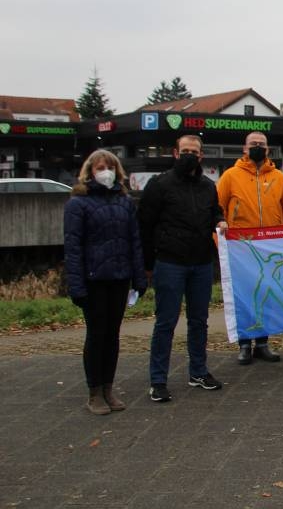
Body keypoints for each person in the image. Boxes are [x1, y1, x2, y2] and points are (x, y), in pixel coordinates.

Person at [139, 135, 227, 403]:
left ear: (201, 156)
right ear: (176, 153)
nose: (190, 154)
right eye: (185, 150)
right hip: (170, 262)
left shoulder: (207, 186)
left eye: (195, 151)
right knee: (166, 322)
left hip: (201, 262)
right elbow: (144, 225)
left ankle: (198, 372)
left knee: (199, 321)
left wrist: (221, 221)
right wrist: (147, 265)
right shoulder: (159, 184)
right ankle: (158, 380)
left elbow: (215, 211)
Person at [63, 150, 147, 415]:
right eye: (100, 167)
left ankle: (109, 387)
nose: (106, 171)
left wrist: (139, 277)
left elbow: (134, 241)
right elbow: (73, 248)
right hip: (94, 280)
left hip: (120, 278)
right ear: (90, 171)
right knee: (96, 334)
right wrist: (76, 285)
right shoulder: (78, 204)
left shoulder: (124, 202)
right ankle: (94, 392)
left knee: (112, 335)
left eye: (110, 167)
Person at [217, 131, 283, 364]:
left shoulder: (279, 177)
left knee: (265, 296)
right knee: (244, 296)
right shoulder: (230, 176)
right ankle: (244, 344)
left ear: (268, 150)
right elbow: (217, 208)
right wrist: (221, 244)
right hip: (240, 249)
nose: (258, 147)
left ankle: (262, 343)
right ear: (244, 148)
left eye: (262, 144)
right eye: (253, 144)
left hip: (269, 248)